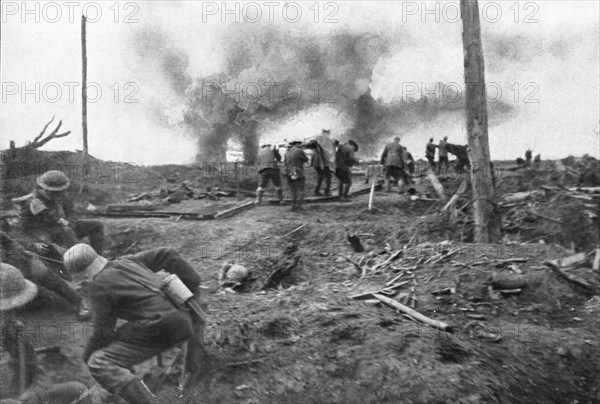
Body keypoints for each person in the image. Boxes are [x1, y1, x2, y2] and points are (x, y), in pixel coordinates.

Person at [63, 244, 204, 404]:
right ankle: (135, 380)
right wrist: (190, 286)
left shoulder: (98, 286)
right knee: (118, 340)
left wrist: (87, 356)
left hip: (160, 327)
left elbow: (102, 332)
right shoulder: (128, 261)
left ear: (82, 273)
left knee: (99, 361)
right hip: (183, 318)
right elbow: (168, 253)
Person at [0, 263, 88, 404]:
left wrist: (34, 392)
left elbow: (33, 367)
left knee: (78, 390)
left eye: (11, 309)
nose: (10, 316)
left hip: (17, 394)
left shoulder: (12, 329)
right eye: (4, 310)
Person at [0, 230, 90, 320]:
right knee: (38, 291)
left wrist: (17, 255)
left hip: (15, 262)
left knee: (45, 274)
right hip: (5, 275)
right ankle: (63, 305)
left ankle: (79, 302)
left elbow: (10, 243)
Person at [15, 170, 105, 254]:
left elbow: (72, 212)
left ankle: (98, 257)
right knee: (67, 231)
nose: (57, 195)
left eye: (59, 192)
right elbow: (20, 230)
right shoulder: (30, 203)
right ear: (43, 188)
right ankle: (82, 258)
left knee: (97, 224)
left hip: (65, 227)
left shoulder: (60, 196)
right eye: (52, 192)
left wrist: (69, 222)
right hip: (46, 234)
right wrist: (33, 243)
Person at [307, 129, 335, 196]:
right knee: (328, 176)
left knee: (321, 176)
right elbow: (327, 152)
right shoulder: (326, 140)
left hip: (316, 161)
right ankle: (326, 192)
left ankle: (317, 191)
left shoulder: (317, 138)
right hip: (321, 161)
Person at [283, 141, 308, 212]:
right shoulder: (299, 151)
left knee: (293, 190)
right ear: (296, 144)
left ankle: (293, 206)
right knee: (301, 189)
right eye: (299, 144)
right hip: (298, 172)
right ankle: (299, 206)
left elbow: (285, 163)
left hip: (289, 173)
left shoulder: (287, 152)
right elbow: (306, 159)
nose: (300, 145)